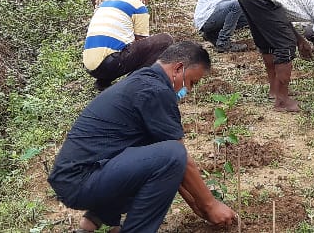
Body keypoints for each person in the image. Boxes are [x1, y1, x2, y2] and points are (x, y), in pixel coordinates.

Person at [48, 42, 238, 233]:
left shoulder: (144, 81)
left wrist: (197, 205)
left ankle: (93, 222)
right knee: (173, 153)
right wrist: (210, 205)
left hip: (76, 179)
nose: (187, 91)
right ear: (178, 68)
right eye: (191, 83)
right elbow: (178, 159)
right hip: (80, 181)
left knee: (154, 154)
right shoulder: (156, 91)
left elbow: (169, 170)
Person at [82, 0, 173, 91]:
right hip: (108, 63)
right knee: (165, 40)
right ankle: (131, 84)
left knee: (118, 45)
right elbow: (143, 43)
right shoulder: (138, 6)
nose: (146, 3)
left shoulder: (107, 2)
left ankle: (103, 82)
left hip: (90, 66)